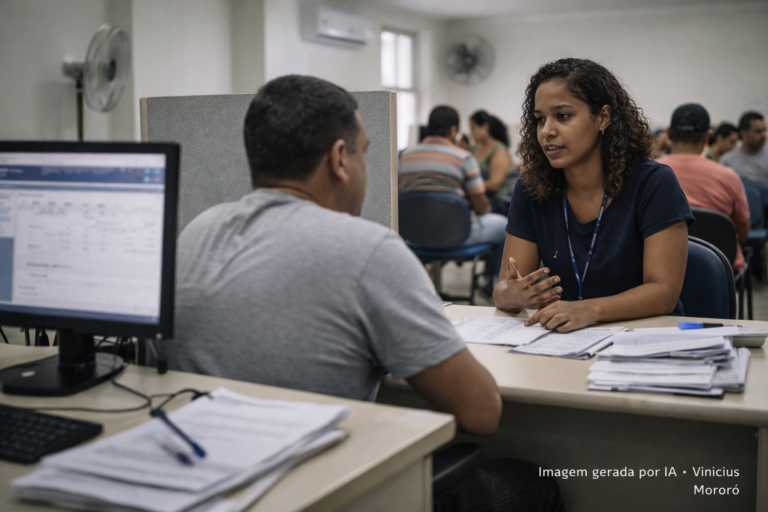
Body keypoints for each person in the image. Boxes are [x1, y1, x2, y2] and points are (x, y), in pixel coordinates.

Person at [166, 75, 563, 511]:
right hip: (321, 492)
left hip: (208, 485)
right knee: (533, 481)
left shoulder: (195, 232)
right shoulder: (368, 250)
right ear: (340, 159)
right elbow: (481, 413)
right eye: (364, 153)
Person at [493, 58, 694, 332]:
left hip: (644, 337)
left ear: (603, 117)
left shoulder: (653, 183)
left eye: (563, 116)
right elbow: (503, 290)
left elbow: (663, 292)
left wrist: (588, 310)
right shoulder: (531, 188)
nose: (547, 131)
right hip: (567, 338)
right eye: (540, 119)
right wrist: (514, 294)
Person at [399, 106, 509, 279]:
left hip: (414, 235)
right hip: (457, 234)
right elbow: (480, 206)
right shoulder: (463, 157)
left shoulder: (404, 156)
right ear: (453, 130)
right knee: (505, 227)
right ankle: (496, 283)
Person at [658, 104, 749, 271]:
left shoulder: (647, 173)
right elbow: (743, 233)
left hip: (658, 268)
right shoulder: (728, 177)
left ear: (669, 133)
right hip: (720, 270)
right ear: (707, 137)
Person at [469, 110, 513, 208]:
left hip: (496, 201)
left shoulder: (499, 150)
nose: (471, 134)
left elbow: (494, 184)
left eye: (473, 129)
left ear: (485, 127)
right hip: (478, 197)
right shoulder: (474, 148)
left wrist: (469, 186)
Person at [720, 112, 768, 182]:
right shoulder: (727, 161)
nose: (763, 135)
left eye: (764, 130)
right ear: (743, 133)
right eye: (758, 131)